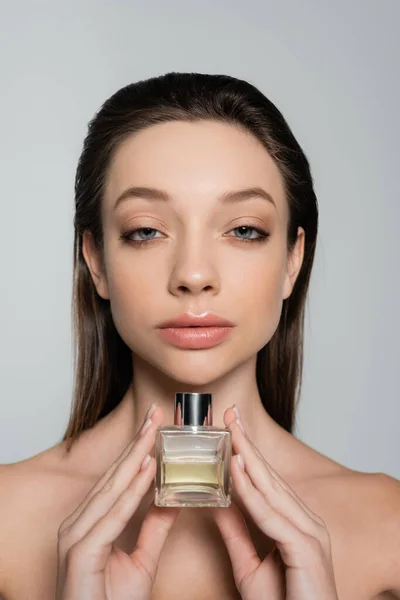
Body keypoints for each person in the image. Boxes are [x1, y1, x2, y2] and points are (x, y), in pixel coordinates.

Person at [0, 71, 399, 600]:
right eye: (146, 230)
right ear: (95, 261)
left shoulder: (387, 526)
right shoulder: (8, 520)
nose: (193, 273)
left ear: (293, 260)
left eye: (243, 230)